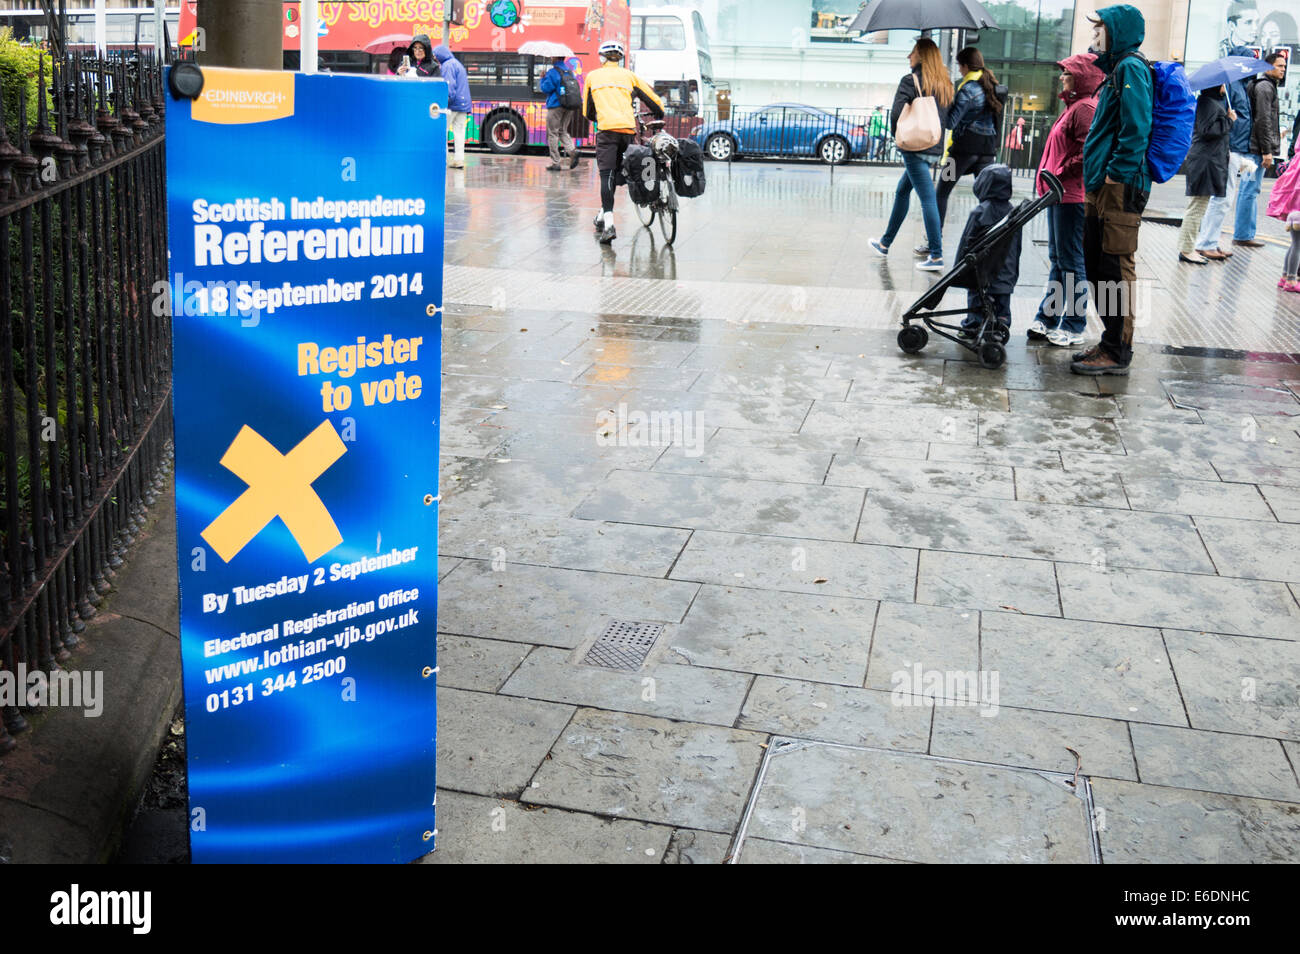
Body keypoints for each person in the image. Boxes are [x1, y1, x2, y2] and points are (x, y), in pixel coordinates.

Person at [1071, 4, 1153, 377]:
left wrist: (1115, 174)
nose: (1094, 35)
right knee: (1097, 265)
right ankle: (1109, 341)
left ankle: (1118, 351)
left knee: (1115, 268)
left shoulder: (1131, 67)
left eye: (1099, 29)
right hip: (1102, 184)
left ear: (1117, 32)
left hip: (1119, 186)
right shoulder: (1116, 70)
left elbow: (1137, 127)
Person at [1027, 52, 1104, 348]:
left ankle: (1074, 325)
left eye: (1068, 73)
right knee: (1060, 259)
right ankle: (1048, 318)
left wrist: (1059, 172)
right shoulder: (1074, 106)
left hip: (1071, 195)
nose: (1062, 77)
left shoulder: (1084, 108)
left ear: (1082, 77)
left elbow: (1088, 153)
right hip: (1059, 193)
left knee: (1071, 261)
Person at [869, 38, 955, 272]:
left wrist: (898, 133)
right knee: (902, 191)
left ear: (922, 56)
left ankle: (936, 255)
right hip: (934, 146)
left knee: (928, 199)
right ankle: (885, 243)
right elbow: (948, 118)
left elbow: (896, 113)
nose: (909, 56)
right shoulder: (945, 84)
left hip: (914, 147)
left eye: (913, 52)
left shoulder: (910, 80)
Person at [583, 40, 664, 244]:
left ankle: (609, 225)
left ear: (602, 57)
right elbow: (653, 100)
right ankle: (602, 215)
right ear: (619, 59)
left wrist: (601, 117)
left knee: (607, 176)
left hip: (606, 132)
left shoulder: (592, 77)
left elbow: (587, 111)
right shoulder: (629, 76)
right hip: (627, 131)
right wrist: (659, 113)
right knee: (621, 173)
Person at [934, 47, 1004, 237]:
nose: (959, 69)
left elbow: (950, 122)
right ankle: (987, 239)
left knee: (941, 192)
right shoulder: (991, 85)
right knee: (986, 197)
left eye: (959, 65)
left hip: (961, 152)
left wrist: (946, 101)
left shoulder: (968, 89)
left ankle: (934, 238)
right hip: (987, 152)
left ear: (966, 66)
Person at [955, 164, 1021, 338]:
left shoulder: (979, 212)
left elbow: (966, 243)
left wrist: (960, 269)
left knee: (976, 299)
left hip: (981, 273)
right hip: (1006, 273)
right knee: (1002, 304)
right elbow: (1017, 247)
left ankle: (973, 325)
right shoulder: (1014, 213)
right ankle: (1001, 325)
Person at [1234, 52, 1286, 247]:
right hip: (1256, 150)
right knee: (1249, 190)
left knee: (1248, 190)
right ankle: (1243, 235)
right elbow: (1263, 120)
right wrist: (1266, 150)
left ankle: (1244, 233)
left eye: (1284, 66)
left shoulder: (1264, 85)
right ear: (1268, 67)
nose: (1283, 69)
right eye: (1279, 66)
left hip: (1253, 148)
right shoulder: (1265, 87)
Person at [1180, 86, 1233, 265]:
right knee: (1196, 209)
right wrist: (1229, 120)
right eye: (1223, 84)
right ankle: (1186, 250)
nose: (1225, 87)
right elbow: (1206, 130)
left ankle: (1188, 248)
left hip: (1207, 160)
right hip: (1204, 162)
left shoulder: (1210, 102)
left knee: (1198, 208)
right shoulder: (1207, 103)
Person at [540, 57, 581, 171]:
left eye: (552, 57)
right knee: (562, 130)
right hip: (568, 106)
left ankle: (556, 163)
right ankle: (572, 151)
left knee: (552, 133)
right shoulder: (570, 72)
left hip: (555, 106)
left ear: (555, 58)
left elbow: (545, 88)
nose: (551, 59)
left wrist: (542, 78)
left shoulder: (553, 72)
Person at [434, 44, 471, 169]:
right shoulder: (458, 64)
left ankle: (442, 159)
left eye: (436, 56)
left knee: (442, 132)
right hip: (463, 105)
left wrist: (445, 102)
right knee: (459, 133)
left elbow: (449, 87)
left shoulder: (447, 65)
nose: (435, 58)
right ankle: (459, 160)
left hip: (452, 105)